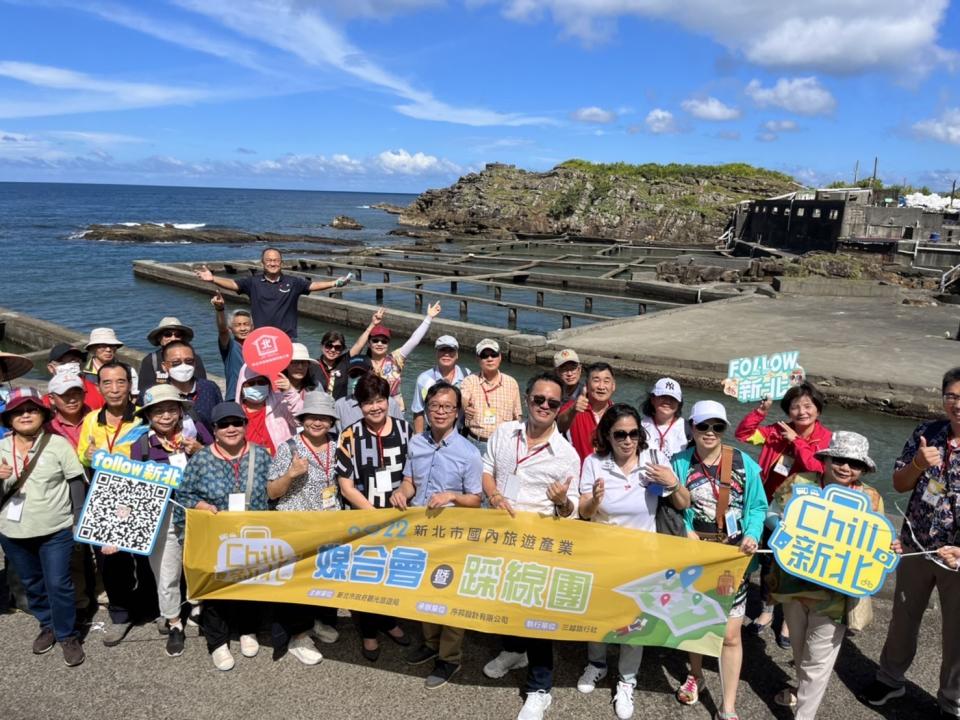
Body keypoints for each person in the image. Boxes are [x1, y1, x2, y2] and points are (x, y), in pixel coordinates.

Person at [175, 401, 322, 669]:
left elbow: (273, 491)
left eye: (237, 423)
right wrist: (201, 506)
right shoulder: (201, 459)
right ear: (214, 430)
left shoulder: (263, 454)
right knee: (216, 589)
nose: (231, 429)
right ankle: (217, 642)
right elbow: (184, 495)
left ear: (245, 425)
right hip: (217, 537)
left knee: (250, 585)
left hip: (253, 535)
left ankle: (247, 630)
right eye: (224, 424)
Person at [767, 431, 893, 719]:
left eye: (855, 464)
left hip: (835, 594)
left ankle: (804, 715)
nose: (846, 467)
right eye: (840, 459)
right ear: (825, 460)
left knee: (818, 662)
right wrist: (784, 528)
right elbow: (771, 513)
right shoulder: (799, 483)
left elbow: (880, 540)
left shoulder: (870, 498)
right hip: (792, 583)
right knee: (800, 650)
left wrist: (890, 548)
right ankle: (800, 691)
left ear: (863, 470)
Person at [576, 404, 690, 719]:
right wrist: (595, 501)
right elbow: (584, 512)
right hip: (603, 556)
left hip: (643, 558)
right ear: (607, 436)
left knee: (633, 623)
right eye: (620, 434)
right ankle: (596, 664)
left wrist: (672, 482)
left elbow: (683, 503)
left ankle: (627, 681)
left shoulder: (654, 460)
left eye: (633, 433)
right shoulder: (594, 463)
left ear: (640, 435)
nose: (627, 440)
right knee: (599, 615)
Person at [481, 372, 580, 720]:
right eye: (539, 399)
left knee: (537, 615)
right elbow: (487, 469)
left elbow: (572, 513)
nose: (545, 407)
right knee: (505, 600)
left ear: (559, 407)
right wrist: (493, 495)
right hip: (502, 536)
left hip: (539, 544)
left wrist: (563, 501)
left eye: (553, 403)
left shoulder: (566, 455)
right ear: (527, 399)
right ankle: (513, 650)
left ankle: (540, 688)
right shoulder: (505, 433)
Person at [862, 367, 960, 719]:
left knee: (957, 635)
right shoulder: (927, 432)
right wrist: (918, 462)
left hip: (957, 558)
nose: (957, 405)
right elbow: (900, 484)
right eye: (952, 396)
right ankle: (890, 679)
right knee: (903, 618)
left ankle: (952, 702)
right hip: (917, 544)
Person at [671, 399, 767, 720]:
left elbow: (757, 506)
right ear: (692, 427)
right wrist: (684, 530)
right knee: (696, 623)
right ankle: (695, 674)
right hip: (695, 555)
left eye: (717, 427)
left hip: (732, 557)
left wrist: (752, 533)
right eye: (703, 426)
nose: (710, 432)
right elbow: (670, 506)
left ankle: (728, 706)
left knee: (729, 634)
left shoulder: (744, 464)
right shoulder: (679, 463)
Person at [391, 381, 482, 689]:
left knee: (450, 595)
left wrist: (452, 497)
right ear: (426, 409)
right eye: (435, 406)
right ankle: (430, 643)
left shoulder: (469, 453)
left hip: (453, 536)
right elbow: (409, 481)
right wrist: (400, 493)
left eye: (447, 407)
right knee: (424, 590)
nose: (441, 412)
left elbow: (476, 499)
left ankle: (449, 659)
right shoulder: (416, 442)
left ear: (457, 413)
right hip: (420, 531)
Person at [735, 382, 831, 645]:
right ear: (788, 410)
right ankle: (767, 611)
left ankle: (788, 620)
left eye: (808, 406)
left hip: (804, 511)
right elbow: (744, 434)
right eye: (795, 406)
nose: (802, 411)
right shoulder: (776, 431)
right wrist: (761, 411)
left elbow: (818, 468)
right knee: (768, 560)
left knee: (795, 562)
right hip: (769, 506)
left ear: (818, 410)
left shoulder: (826, 438)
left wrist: (797, 442)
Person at [0, 387, 87, 667]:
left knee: (59, 583)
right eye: (18, 411)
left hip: (56, 528)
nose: (25, 415)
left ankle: (67, 634)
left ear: (42, 414)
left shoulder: (58, 444)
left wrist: (77, 518)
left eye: (32, 409)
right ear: (9, 418)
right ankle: (46, 624)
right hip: (12, 530)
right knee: (31, 582)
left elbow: (75, 481)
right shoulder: (1, 447)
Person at [129, 384, 212, 658]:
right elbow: (132, 487)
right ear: (149, 416)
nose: (165, 416)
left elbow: (218, 464)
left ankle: (199, 607)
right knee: (166, 572)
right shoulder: (140, 445)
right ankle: (174, 622)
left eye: (170, 409)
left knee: (200, 564)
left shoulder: (196, 432)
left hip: (198, 513)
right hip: (162, 516)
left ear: (180, 411)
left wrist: (200, 450)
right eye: (158, 411)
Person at [77, 361, 155, 646]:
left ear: (130, 385)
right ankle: (120, 615)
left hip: (140, 492)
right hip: (105, 494)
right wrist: (88, 453)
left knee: (145, 555)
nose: (114, 388)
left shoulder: (143, 418)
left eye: (120, 382)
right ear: (99, 387)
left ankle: (151, 607)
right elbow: (83, 457)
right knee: (110, 559)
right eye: (107, 383)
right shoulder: (91, 420)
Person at [335, 374, 412, 661]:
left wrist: (405, 491)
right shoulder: (349, 436)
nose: (375, 407)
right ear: (359, 405)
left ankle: (389, 620)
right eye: (368, 403)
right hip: (364, 519)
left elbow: (411, 475)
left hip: (398, 518)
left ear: (388, 400)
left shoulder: (406, 431)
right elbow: (346, 486)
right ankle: (368, 631)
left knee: (393, 573)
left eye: (380, 400)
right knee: (366, 576)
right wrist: (372, 515)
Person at [267, 391, 341, 645]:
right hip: (295, 525)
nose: (317, 423)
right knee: (296, 580)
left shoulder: (338, 444)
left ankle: (318, 621)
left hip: (328, 523)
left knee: (323, 577)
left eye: (324, 418)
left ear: (331, 421)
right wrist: (291, 474)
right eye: (312, 417)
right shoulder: (289, 447)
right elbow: (272, 492)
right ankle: (297, 635)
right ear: (302, 419)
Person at [195, 247, 351, 338]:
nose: (272, 263)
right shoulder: (253, 282)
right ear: (263, 263)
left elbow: (313, 285)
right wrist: (213, 278)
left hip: (287, 338)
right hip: (260, 338)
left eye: (276, 260)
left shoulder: (293, 282)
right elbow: (233, 284)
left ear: (281, 263)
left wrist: (335, 283)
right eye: (269, 260)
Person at [350, 303, 441, 413]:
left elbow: (414, 340)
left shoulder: (396, 358)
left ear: (388, 344)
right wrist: (372, 325)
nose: (380, 344)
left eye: (384, 341)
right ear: (369, 343)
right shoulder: (361, 362)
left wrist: (429, 318)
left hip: (396, 412)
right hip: (370, 412)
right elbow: (353, 352)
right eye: (375, 340)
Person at [461, 339, 522, 455]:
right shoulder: (469, 381)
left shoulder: (512, 383)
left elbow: (517, 416)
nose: (490, 359)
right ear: (478, 360)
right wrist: (466, 408)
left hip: (504, 444)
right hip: (476, 443)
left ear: (500, 357)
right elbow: (463, 400)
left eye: (493, 355)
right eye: (484, 356)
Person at [158, 340, 223, 434]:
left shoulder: (210, 388)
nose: (183, 366)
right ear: (164, 366)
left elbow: (221, 422)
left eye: (189, 361)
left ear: (195, 363)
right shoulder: (159, 394)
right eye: (176, 362)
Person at [410, 335, 470, 434]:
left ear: (457, 355)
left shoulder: (467, 375)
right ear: (436, 353)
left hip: (461, 433)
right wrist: (418, 438)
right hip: (433, 433)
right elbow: (418, 411)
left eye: (451, 350)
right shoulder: (424, 379)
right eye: (442, 350)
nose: (446, 354)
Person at [233, 365, 297, 455]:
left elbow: (299, 422)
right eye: (251, 383)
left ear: (268, 384)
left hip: (283, 461)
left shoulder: (280, 403)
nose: (257, 386)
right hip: (252, 465)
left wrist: (290, 393)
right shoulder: (235, 415)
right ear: (242, 386)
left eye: (261, 382)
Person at [563, 362, 616, 464]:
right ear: (586, 385)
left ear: (613, 386)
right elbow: (560, 424)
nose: (601, 386)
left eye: (606, 381)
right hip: (580, 476)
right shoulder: (572, 408)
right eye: (596, 380)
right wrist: (573, 410)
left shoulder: (619, 414)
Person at [334, 357, 403, 432]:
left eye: (363, 373)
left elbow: (401, 429)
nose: (358, 377)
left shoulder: (391, 403)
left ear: (372, 372)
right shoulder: (339, 406)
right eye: (353, 375)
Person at [138, 316, 208, 390]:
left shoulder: (194, 359)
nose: (173, 338)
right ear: (159, 338)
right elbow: (144, 391)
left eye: (177, 335)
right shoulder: (150, 361)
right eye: (167, 334)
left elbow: (202, 385)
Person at [211, 292, 252, 401]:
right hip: (236, 396)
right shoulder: (230, 346)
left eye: (246, 324)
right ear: (231, 329)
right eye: (238, 325)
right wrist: (220, 310)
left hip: (258, 395)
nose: (243, 329)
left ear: (252, 327)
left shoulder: (258, 347)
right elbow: (222, 331)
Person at [639, 377, 688, 459]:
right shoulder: (640, 426)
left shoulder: (688, 429)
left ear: (679, 403)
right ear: (652, 399)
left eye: (673, 398)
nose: (668, 402)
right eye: (663, 397)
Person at [80, 328, 126, 410]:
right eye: (102, 346)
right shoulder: (81, 373)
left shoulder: (127, 370)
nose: (108, 350)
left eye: (112, 346)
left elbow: (134, 397)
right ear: (93, 349)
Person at [45, 368, 91, 450]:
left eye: (76, 393)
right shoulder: (47, 428)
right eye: (65, 395)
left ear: (84, 395)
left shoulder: (99, 418)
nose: (72, 400)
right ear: (52, 399)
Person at [46, 343, 101, 411]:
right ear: (51, 368)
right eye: (63, 363)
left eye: (75, 361)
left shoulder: (98, 391)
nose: (71, 366)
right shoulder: (45, 401)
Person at [274, 343, 321, 413]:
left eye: (304, 363)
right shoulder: (274, 386)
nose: (300, 367)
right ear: (286, 365)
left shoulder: (316, 386)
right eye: (295, 362)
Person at [553, 349, 585, 434]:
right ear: (557, 372)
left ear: (579, 369)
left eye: (573, 368)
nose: (570, 374)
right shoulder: (551, 393)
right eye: (564, 369)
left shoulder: (588, 393)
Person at [316, 331, 352, 399]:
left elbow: (359, 345)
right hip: (319, 408)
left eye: (337, 347)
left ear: (342, 349)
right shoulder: (313, 365)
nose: (332, 350)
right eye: (329, 346)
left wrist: (372, 326)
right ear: (322, 346)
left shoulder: (344, 363)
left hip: (339, 408)